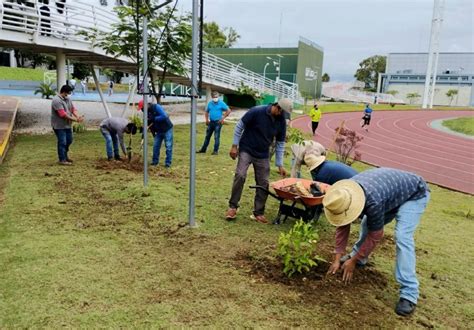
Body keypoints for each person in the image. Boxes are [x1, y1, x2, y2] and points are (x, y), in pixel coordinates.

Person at [323, 168, 430, 317]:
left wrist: (352, 261)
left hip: (414, 193)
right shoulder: (345, 193)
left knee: (402, 236)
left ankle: (409, 293)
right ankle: (359, 258)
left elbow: (376, 235)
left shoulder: (373, 201)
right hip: (390, 194)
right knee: (367, 224)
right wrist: (336, 258)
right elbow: (343, 225)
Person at [225, 98, 293, 224]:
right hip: (247, 148)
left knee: (264, 182)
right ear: (277, 107)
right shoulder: (257, 111)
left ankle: (258, 212)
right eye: (281, 112)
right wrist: (235, 145)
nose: (282, 116)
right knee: (240, 175)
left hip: (262, 154)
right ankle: (233, 207)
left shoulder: (281, 121)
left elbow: (280, 143)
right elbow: (240, 126)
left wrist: (280, 164)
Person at [51, 84, 84, 165]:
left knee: (69, 140)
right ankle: (62, 159)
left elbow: (73, 109)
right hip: (59, 126)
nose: (68, 95)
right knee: (62, 142)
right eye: (67, 93)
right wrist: (76, 120)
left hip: (67, 125)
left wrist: (78, 116)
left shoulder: (68, 99)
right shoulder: (56, 100)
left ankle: (65, 156)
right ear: (63, 92)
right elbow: (63, 115)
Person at [138, 99, 173, 167]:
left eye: (142, 108)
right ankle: (155, 162)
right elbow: (149, 125)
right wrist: (151, 133)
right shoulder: (146, 113)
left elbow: (164, 116)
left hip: (167, 129)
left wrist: (154, 119)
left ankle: (168, 163)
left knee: (168, 146)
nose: (142, 110)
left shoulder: (156, 107)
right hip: (158, 131)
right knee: (155, 146)